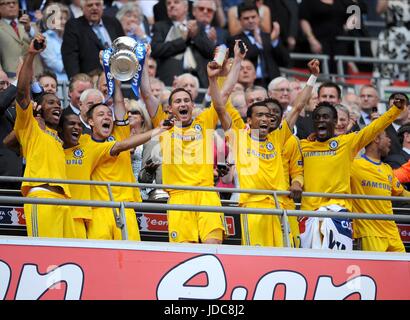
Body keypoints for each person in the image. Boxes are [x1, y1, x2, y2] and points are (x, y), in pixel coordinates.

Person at [140, 41, 246, 244]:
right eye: (177, 101)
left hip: (207, 195)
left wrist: (238, 61)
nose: (183, 104)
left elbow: (224, 94)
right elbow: (146, 94)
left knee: (213, 247)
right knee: (185, 252)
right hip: (179, 198)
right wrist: (144, 61)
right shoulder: (164, 126)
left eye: (186, 100)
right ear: (170, 109)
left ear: (192, 104)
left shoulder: (204, 121)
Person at [215, 59, 319, 247]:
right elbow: (221, 107)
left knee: (284, 257)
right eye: (260, 115)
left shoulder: (278, 138)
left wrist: (312, 77)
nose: (266, 118)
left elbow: (297, 107)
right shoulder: (238, 137)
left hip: (280, 208)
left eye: (269, 116)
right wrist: (221, 76)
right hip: (253, 209)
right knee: (255, 260)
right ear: (249, 120)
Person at [299, 93, 408, 250]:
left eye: (326, 117)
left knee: (338, 267)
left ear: (335, 122)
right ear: (313, 122)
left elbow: (373, 129)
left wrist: (396, 110)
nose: (321, 120)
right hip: (309, 214)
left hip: (337, 214)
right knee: (310, 265)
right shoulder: (303, 145)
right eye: (317, 117)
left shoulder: (346, 143)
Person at [13, 34, 70, 238]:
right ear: (39, 107)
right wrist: (31, 55)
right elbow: (21, 92)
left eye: (59, 103)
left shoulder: (59, 136)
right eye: (51, 102)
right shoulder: (29, 125)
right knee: (45, 259)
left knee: (66, 262)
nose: (57, 106)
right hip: (41, 197)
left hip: (66, 201)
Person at [351, 131, 409, 252]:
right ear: (376, 139)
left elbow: (403, 194)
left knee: (402, 269)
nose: (390, 141)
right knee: (374, 270)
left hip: (392, 233)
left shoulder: (387, 169)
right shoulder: (354, 165)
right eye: (387, 136)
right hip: (369, 232)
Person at [150, 0, 216, 87]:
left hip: (198, 80)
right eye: (169, 3)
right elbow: (155, 50)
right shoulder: (160, 26)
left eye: (176, 2)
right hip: (171, 79)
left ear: (186, 8)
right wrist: (182, 40)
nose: (172, 5)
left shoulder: (197, 26)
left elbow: (211, 52)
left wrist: (195, 36)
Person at [227, 1, 289, 87]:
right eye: (246, 18)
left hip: (272, 83)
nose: (251, 20)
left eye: (253, 17)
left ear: (259, 17)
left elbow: (285, 60)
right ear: (239, 20)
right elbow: (246, 55)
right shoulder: (235, 40)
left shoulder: (269, 36)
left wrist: (274, 41)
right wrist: (261, 43)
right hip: (248, 84)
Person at [62, 0, 124, 78]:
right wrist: (76, 80)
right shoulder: (74, 26)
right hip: (91, 80)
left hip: (119, 77)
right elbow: (70, 58)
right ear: (82, 8)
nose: (94, 8)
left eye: (97, 4)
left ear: (102, 7)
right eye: (90, 5)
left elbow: (124, 48)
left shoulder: (113, 22)